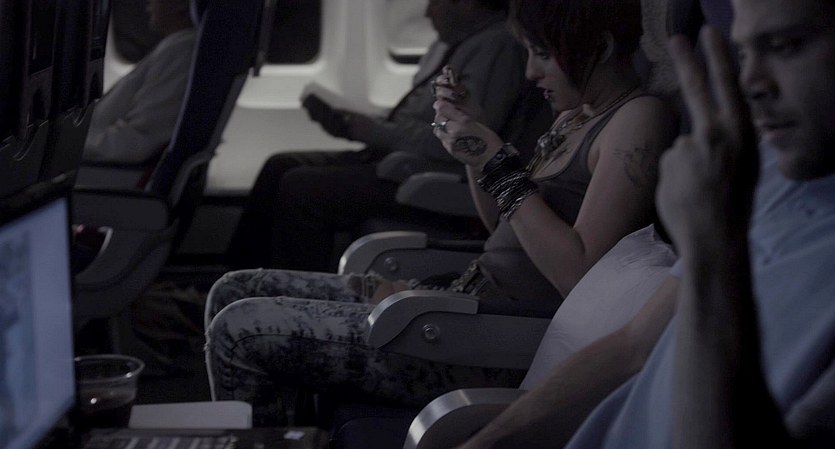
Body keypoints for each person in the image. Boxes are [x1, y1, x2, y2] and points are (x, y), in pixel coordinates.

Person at [204, 0, 677, 426]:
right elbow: (502, 228)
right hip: (456, 300)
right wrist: (476, 145)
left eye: (542, 54)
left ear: (602, 46)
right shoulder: (575, 117)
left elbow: (579, 274)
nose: (531, 72)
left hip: (486, 339)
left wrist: (497, 164)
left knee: (239, 331)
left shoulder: (638, 121)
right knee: (234, 289)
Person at [456, 0, 835, 447]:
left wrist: (712, 246)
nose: (750, 83)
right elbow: (633, 348)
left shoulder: (656, 134)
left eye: (788, 45)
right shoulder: (772, 178)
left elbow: (577, 273)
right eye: (744, 53)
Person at [226, 0, 551, 271]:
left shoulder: (497, 47)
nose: (428, 12)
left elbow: (460, 138)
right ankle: (238, 277)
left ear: (467, 4)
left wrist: (376, 132)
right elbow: (423, 117)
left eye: (436, 2)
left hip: (429, 174)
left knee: (301, 188)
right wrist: (363, 123)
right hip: (402, 161)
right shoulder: (456, 44)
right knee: (280, 165)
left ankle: (287, 295)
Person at [82, 0, 195, 164]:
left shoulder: (181, 50)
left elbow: (136, 141)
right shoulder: (177, 46)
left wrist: (68, 145)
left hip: (105, 171)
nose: (149, 3)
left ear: (181, 5)